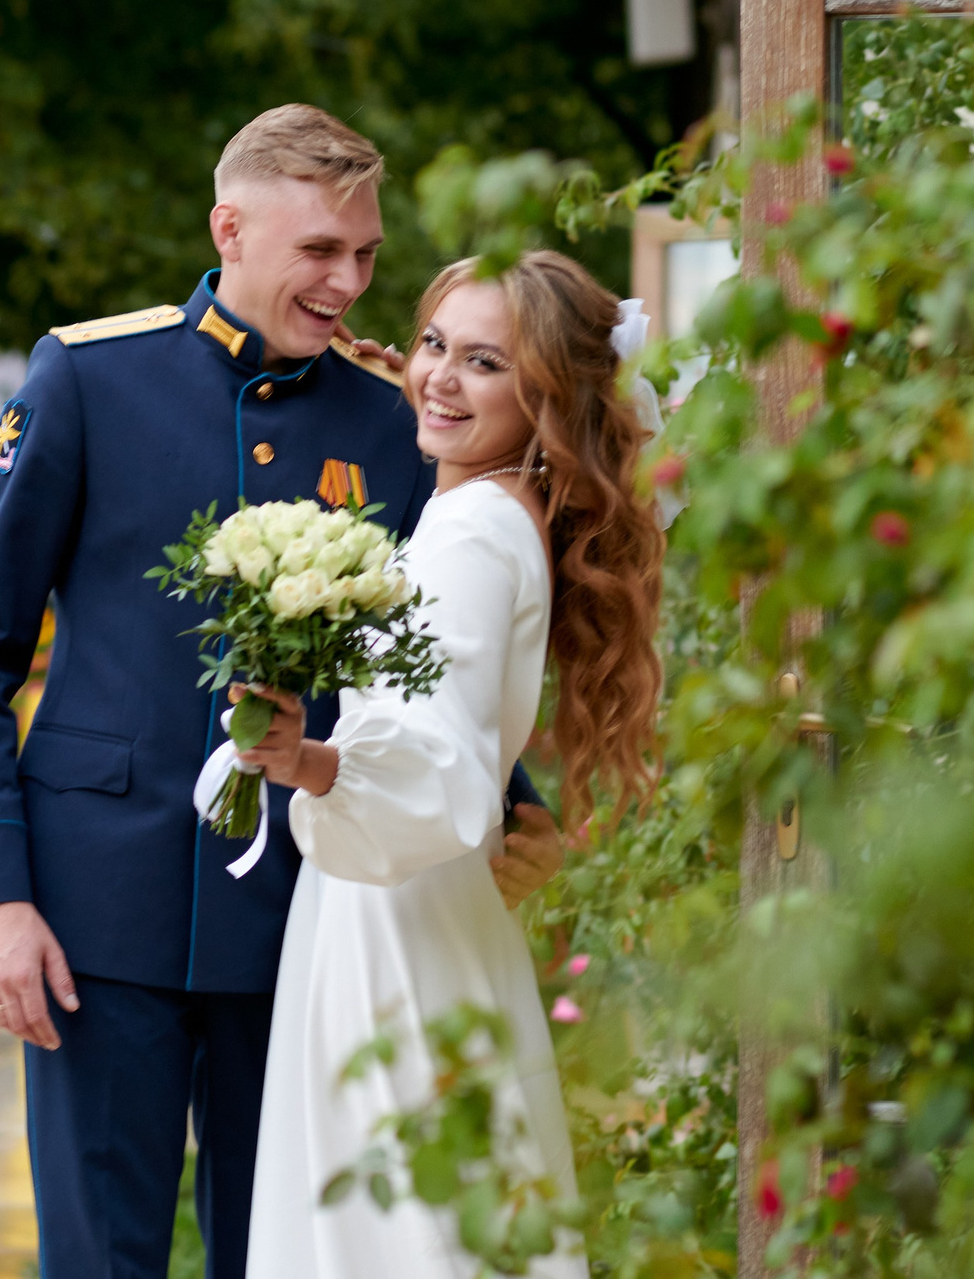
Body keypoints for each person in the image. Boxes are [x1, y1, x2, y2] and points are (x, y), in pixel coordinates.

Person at [0, 105, 566, 1279]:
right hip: (90, 913)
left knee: (279, 1252)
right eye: (322, 250)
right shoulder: (87, 376)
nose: (349, 282)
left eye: (365, 254)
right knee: (100, 1256)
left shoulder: (390, 425)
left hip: (300, 919)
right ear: (230, 227)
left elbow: (418, 654)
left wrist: (505, 799)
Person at [237, 251, 666, 1279]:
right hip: (407, 905)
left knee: (395, 1235)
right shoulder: (490, 509)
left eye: (484, 362)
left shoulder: (470, 531)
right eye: (433, 344)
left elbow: (443, 775)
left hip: (398, 919)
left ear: (547, 397)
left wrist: (311, 764)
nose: (436, 377)